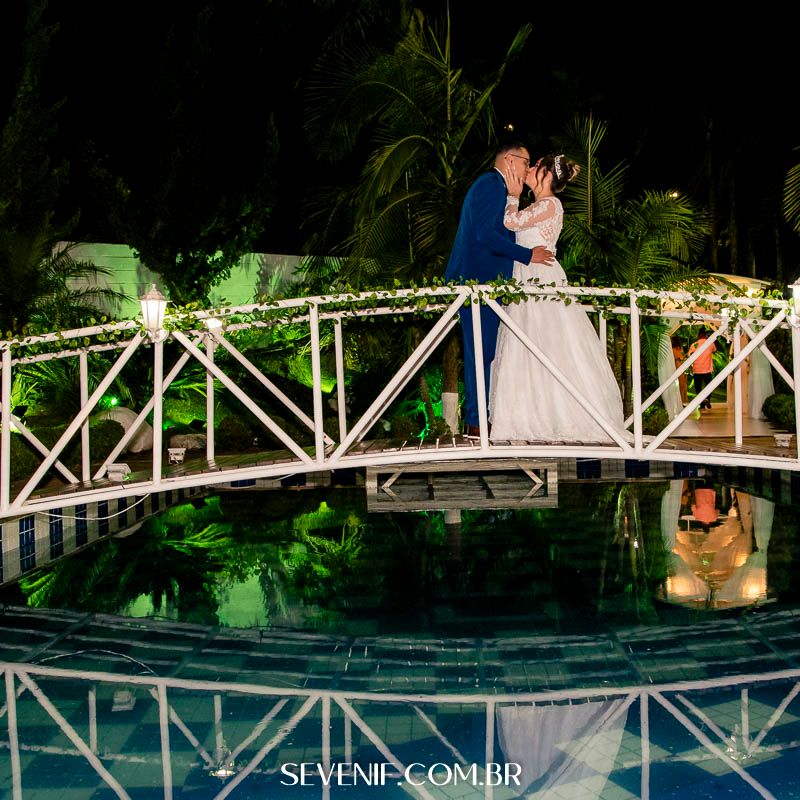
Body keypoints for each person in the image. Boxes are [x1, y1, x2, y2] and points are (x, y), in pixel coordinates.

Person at [488, 154, 625, 443]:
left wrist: (512, 196)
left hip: (540, 278)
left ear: (547, 174)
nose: (530, 169)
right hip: (525, 277)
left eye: (536, 166)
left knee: (547, 343)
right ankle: (527, 416)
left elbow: (511, 222)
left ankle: (561, 416)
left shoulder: (550, 204)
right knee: (526, 345)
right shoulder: (539, 205)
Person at [444, 140, 554, 438]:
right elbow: (485, 235)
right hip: (478, 283)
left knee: (488, 351)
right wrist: (528, 256)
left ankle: (482, 419)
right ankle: (477, 423)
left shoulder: (496, 189)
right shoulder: (491, 185)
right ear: (509, 161)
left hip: (488, 284)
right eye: (525, 162)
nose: (528, 168)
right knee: (481, 351)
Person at [688, 328, 717, 409]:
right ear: (705, 335)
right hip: (707, 369)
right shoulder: (710, 343)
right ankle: (707, 399)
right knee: (709, 386)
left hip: (697, 370)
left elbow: (689, 355)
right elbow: (715, 350)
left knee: (698, 387)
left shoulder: (694, 345)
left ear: (698, 335)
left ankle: (702, 404)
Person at [671, 336, 688, 405]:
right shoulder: (678, 348)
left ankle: (681, 401)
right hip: (679, 365)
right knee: (681, 384)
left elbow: (681, 357)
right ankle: (682, 400)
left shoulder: (674, 349)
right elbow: (681, 357)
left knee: (681, 384)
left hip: (677, 365)